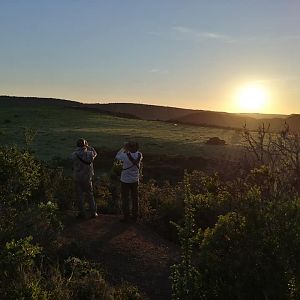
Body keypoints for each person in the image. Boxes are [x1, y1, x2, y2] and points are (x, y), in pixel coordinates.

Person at [115, 141, 143, 222]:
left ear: (129, 147)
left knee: (125, 199)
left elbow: (117, 156)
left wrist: (124, 148)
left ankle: (126, 217)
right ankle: (135, 216)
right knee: (135, 198)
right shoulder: (140, 155)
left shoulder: (125, 155)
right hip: (135, 180)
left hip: (125, 180)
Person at [71, 138, 98, 218]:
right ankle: (93, 212)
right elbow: (95, 154)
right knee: (90, 194)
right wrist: (89, 147)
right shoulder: (90, 153)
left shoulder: (74, 154)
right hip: (87, 177)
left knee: (79, 196)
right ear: (85, 145)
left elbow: (71, 160)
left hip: (77, 177)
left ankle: (82, 213)